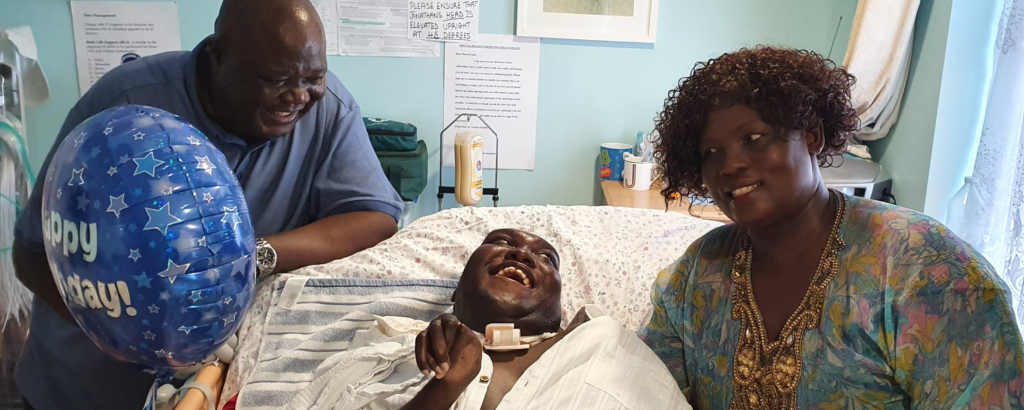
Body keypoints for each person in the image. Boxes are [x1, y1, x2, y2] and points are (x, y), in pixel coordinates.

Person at [11, 0, 403, 408]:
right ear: (217, 57)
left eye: (314, 77)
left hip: (209, 385)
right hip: (86, 388)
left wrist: (251, 258)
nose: (298, 96)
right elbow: (30, 255)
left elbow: (374, 218)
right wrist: (128, 335)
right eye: (276, 79)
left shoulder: (325, 109)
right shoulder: (124, 106)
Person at [639, 46, 1024, 410]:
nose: (730, 165)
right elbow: (637, 389)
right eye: (711, 152)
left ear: (812, 136)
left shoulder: (926, 271)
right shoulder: (692, 278)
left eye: (753, 139)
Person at [287, 229, 690, 410]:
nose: (522, 254)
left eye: (545, 258)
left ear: (561, 308)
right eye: (500, 242)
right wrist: (442, 392)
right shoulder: (378, 355)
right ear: (455, 291)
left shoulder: (607, 348)